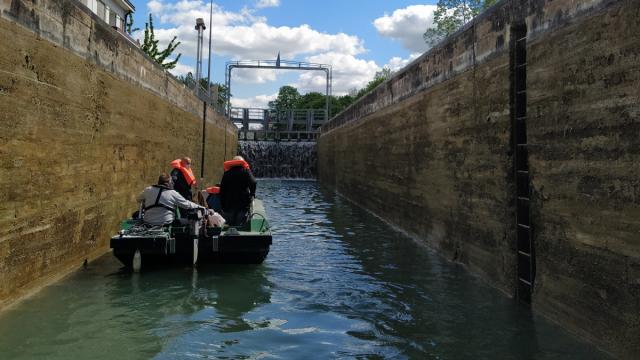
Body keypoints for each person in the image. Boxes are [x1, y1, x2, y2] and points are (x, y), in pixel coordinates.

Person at [137, 173, 205, 226]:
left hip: (148, 222)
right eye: (171, 182)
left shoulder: (148, 190)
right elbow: (187, 205)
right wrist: (201, 207)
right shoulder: (172, 193)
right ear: (168, 183)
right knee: (190, 221)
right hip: (167, 223)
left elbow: (138, 199)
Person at [219, 156, 256, 226]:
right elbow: (253, 182)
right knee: (241, 224)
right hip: (243, 203)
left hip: (229, 204)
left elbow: (222, 191)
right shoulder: (245, 171)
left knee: (230, 224)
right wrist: (252, 194)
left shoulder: (227, 173)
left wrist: (223, 205)